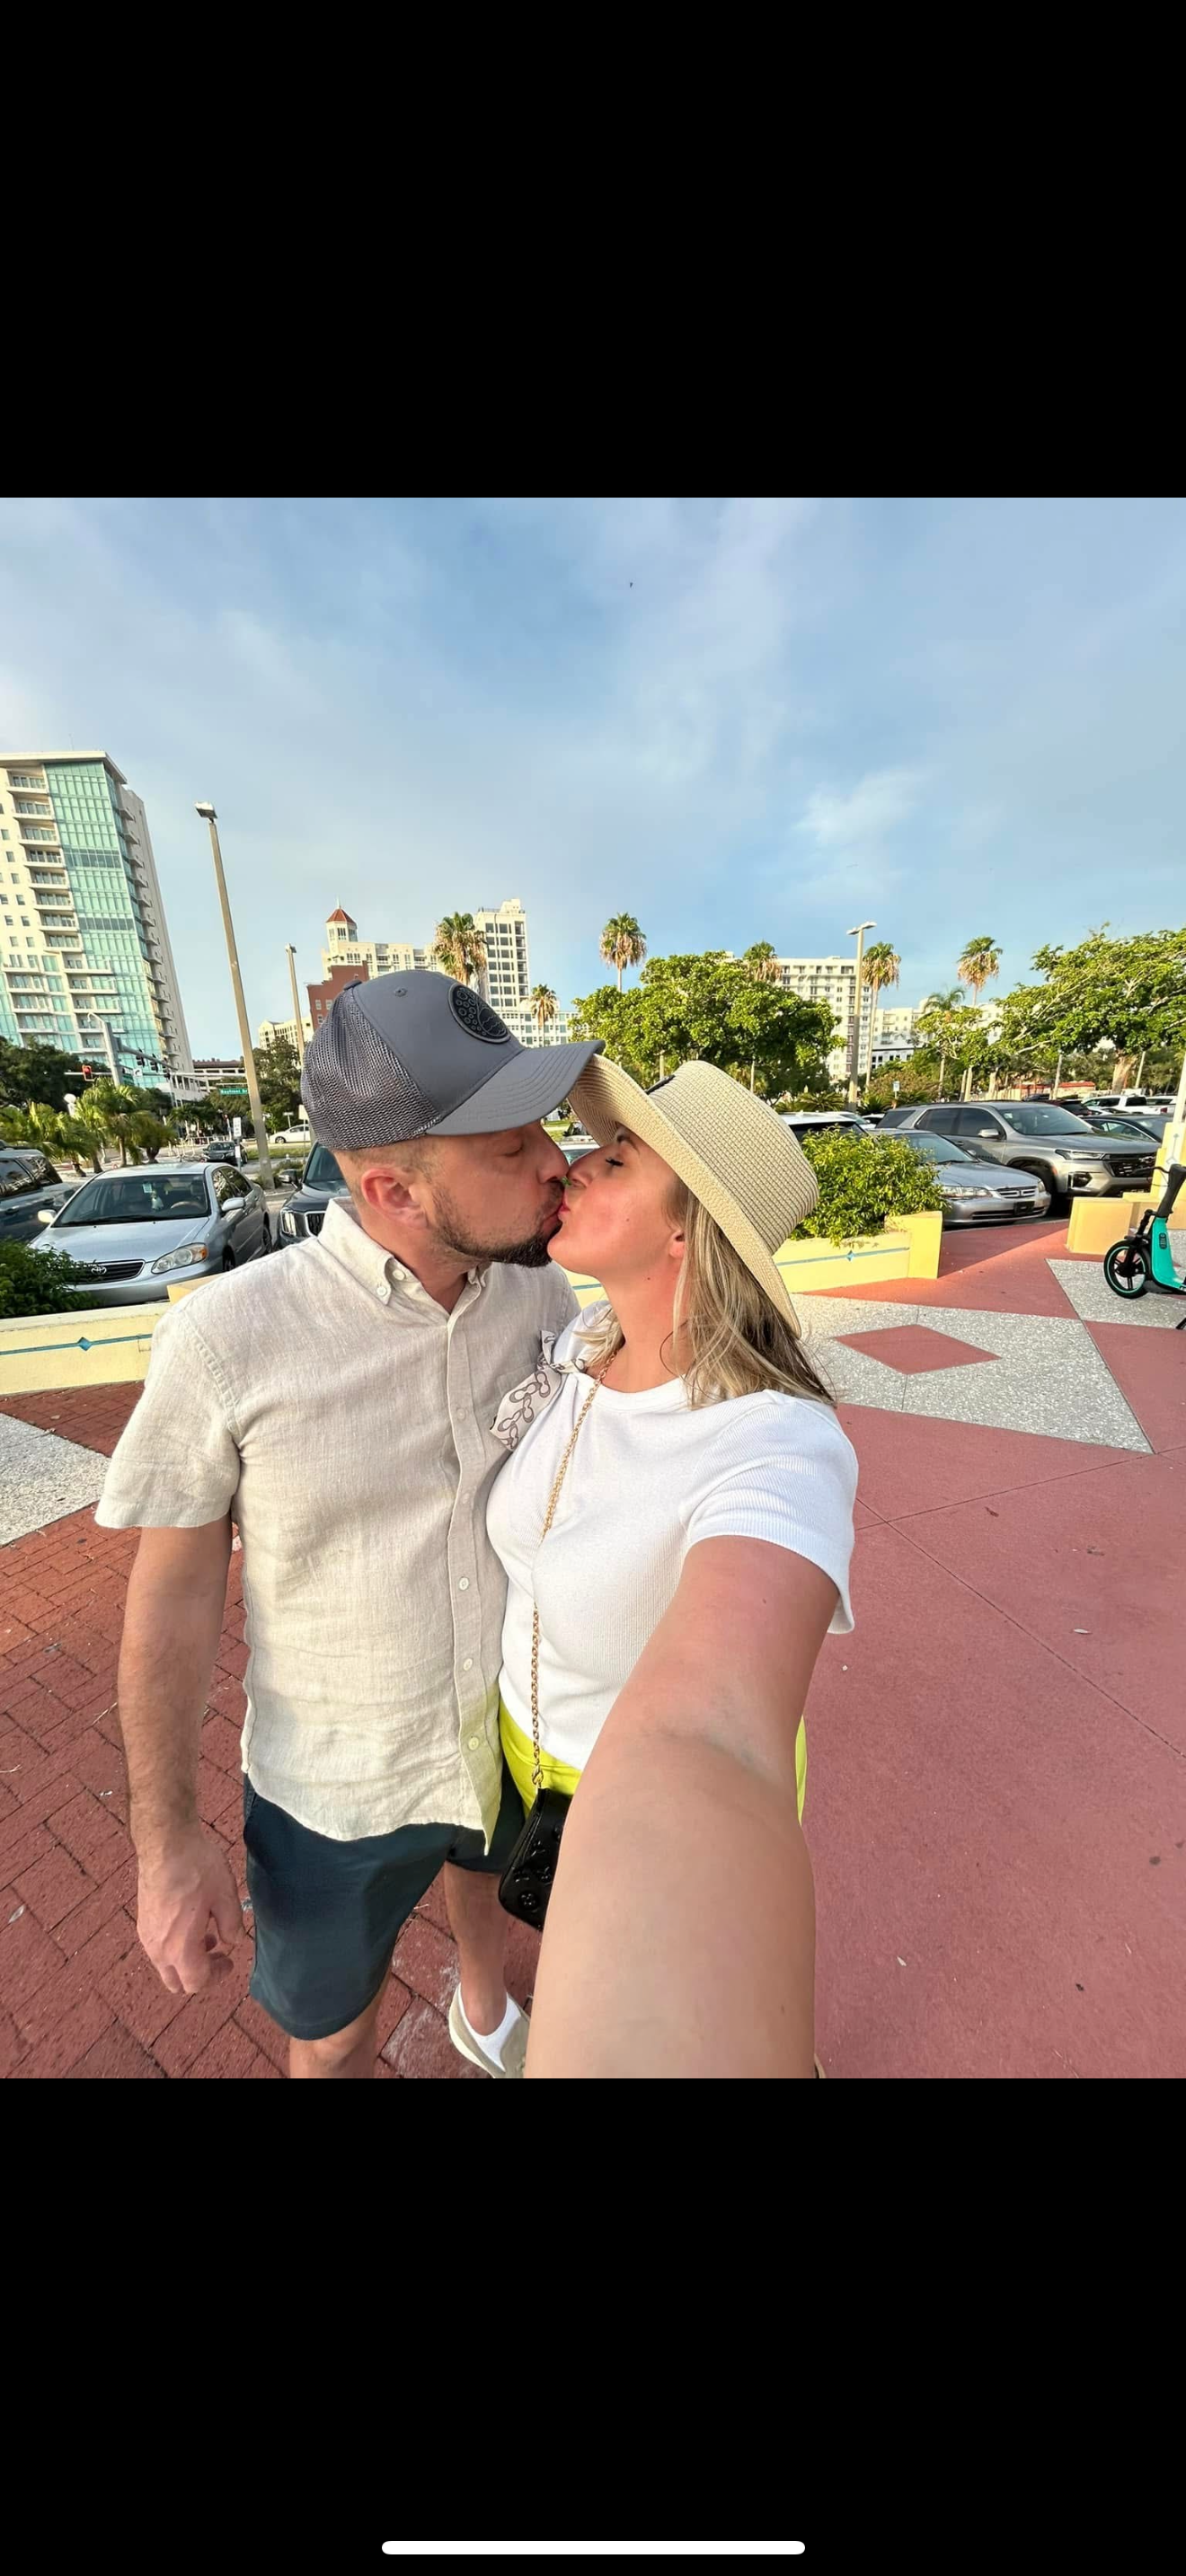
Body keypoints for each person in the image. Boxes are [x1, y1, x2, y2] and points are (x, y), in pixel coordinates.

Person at [96, 973, 600, 2078]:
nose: (554, 1162)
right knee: (329, 2039)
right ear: (392, 1189)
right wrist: (164, 1844)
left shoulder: (540, 1293)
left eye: (544, 1130)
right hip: (336, 1787)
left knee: (487, 1883)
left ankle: (482, 2006)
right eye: (510, 1146)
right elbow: (171, 1603)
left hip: (508, 1728)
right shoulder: (228, 1340)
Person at [486, 1056, 857, 2078]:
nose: (575, 1167)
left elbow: (713, 1736)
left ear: (688, 1228)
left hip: (631, 1795)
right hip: (524, 1754)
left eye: (616, 1160)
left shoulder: (775, 1442)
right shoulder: (579, 1346)